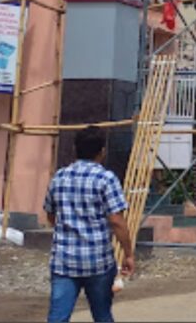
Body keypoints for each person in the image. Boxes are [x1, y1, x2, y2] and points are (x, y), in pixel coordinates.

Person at [44, 126, 134, 323]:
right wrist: (128, 254)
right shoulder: (106, 178)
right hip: (98, 262)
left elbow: (50, 215)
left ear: (75, 149)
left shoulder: (59, 177)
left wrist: (68, 229)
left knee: (58, 317)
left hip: (64, 262)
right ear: (102, 151)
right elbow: (117, 221)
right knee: (102, 315)